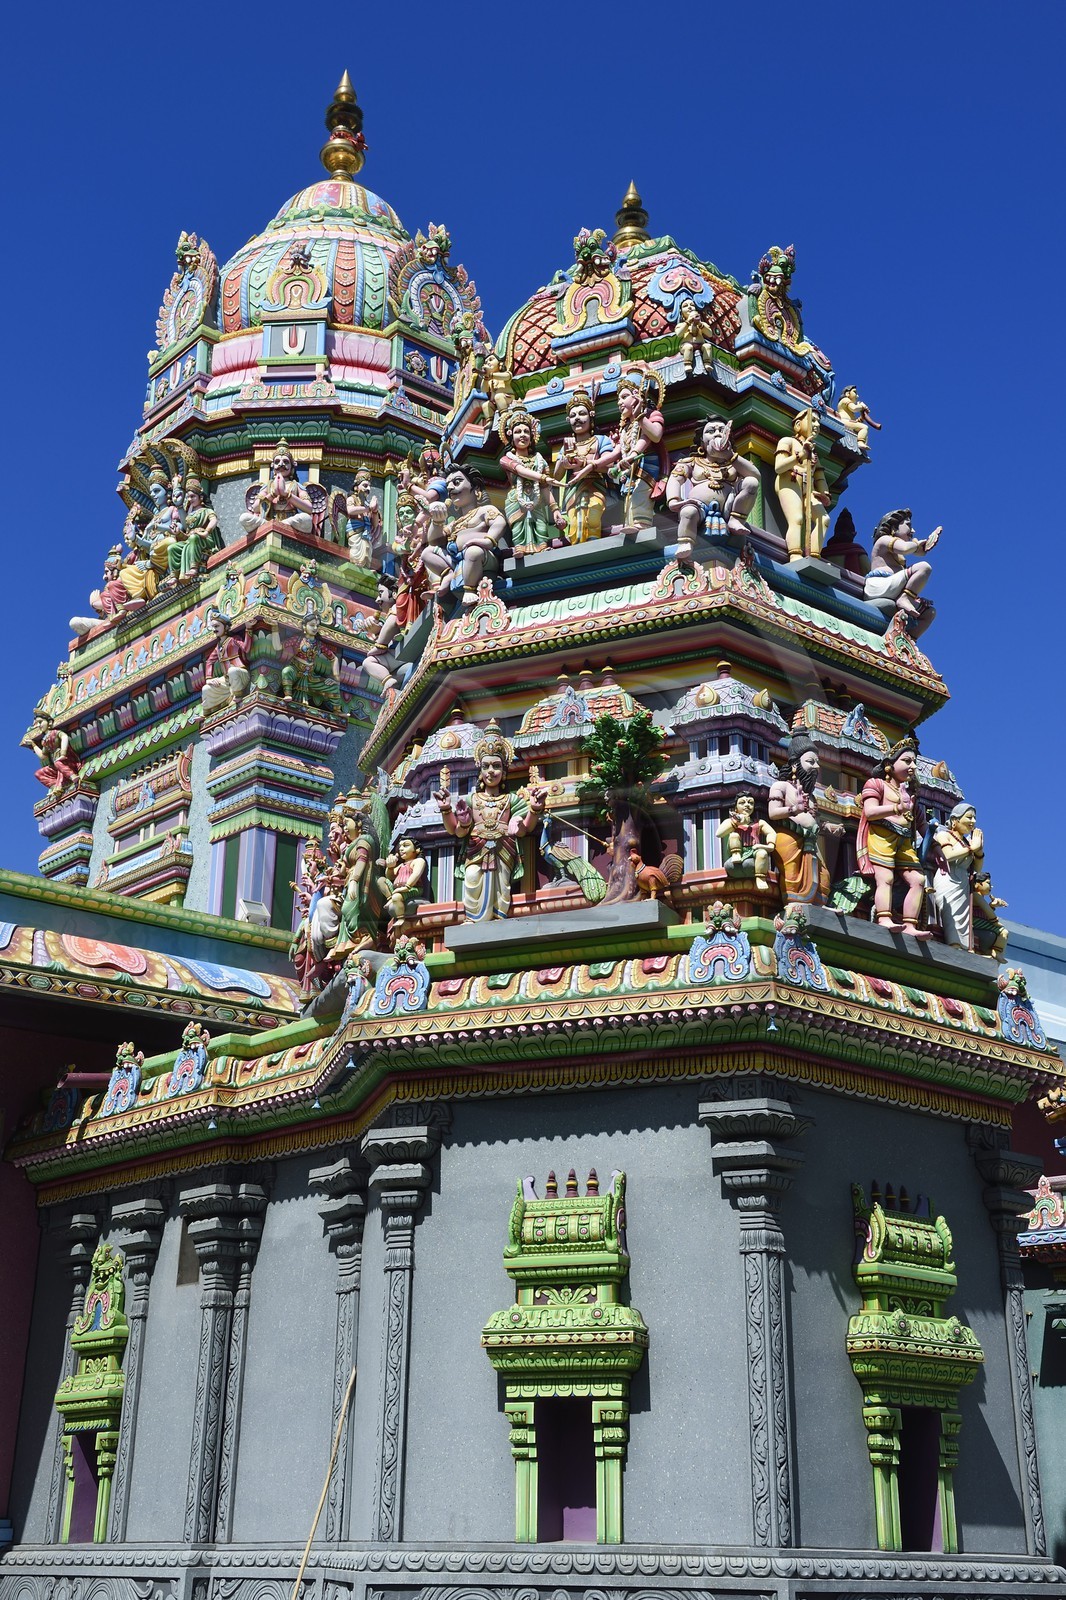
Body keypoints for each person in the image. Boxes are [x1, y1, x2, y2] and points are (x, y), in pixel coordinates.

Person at [436, 721, 545, 921]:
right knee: (472, 878)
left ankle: (498, 918)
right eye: (486, 766)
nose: (491, 771)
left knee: (502, 885)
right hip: (476, 848)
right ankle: (472, 919)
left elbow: (524, 829)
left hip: (503, 849)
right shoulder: (471, 800)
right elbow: (457, 831)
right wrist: (449, 811)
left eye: (496, 766)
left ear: (504, 771)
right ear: (480, 770)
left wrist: (532, 811)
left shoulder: (511, 800)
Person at [857, 736, 930, 935]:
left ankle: (910, 925)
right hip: (881, 836)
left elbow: (922, 826)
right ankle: (884, 918)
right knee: (885, 878)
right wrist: (897, 807)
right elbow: (870, 812)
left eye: (914, 762)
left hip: (904, 841)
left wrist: (939, 848)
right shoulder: (876, 784)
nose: (913, 766)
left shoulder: (911, 795)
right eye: (907, 761)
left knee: (918, 880)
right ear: (890, 764)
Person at [666, 417, 760, 558]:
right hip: (699, 507)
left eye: (722, 430)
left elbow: (756, 475)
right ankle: (685, 541)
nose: (717, 434)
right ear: (702, 443)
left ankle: (736, 520)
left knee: (751, 483)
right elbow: (675, 479)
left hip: (729, 507)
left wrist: (729, 456)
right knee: (688, 513)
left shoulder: (734, 464)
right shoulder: (693, 462)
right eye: (711, 431)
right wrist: (673, 500)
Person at [768, 737, 841, 904]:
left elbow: (814, 821)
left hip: (810, 841)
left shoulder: (811, 797)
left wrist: (828, 827)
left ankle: (818, 907)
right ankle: (793, 905)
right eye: (811, 762)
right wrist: (794, 809)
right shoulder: (781, 786)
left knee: (823, 877)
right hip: (789, 837)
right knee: (792, 872)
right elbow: (772, 813)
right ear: (795, 765)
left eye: (817, 762)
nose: (816, 767)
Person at [553, 388, 617, 544]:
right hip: (574, 490)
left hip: (596, 485)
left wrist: (586, 463)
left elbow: (610, 466)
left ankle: (594, 545)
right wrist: (564, 462)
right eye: (573, 415)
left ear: (591, 416)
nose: (577, 419)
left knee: (594, 514)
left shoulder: (601, 440)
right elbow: (556, 476)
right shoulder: (567, 445)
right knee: (575, 522)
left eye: (582, 414)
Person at [499, 407, 567, 555]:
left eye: (526, 431)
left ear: (532, 435)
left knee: (541, 526)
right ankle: (520, 548)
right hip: (516, 499)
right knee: (518, 528)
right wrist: (545, 478)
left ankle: (542, 546)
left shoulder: (539, 460)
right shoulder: (506, 459)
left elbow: (544, 488)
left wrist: (555, 510)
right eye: (518, 432)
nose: (522, 435)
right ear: (510, 436)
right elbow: (521, 471)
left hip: (537, 500)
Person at [864, 509, 940, 638]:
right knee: (924, 567)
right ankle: (905, 598)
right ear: (894, 527)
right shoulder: (883, 540)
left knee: (929, 613)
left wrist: (914, 594)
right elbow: (905, 548)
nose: (913, 531)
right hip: (878, 586)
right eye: (908, 525)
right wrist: (917, 546)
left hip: (892, 589)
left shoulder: (899, 558)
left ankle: (905, 640)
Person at [611, 364, 667, 529]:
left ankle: (641, 524)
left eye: (624, 397)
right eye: (619, 399)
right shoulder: (626, 427)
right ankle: (633, 524)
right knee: (629, 499)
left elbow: (653, 436)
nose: (620, 403)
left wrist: (639, 417)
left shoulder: (651, 415)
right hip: (630, 467)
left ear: (638, 395)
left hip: (646, 464)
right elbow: (622, 449)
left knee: (639, 494)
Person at [443, 464, 508, 606]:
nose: (450, 488)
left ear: (476, 489)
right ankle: (445, 577)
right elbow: (435, 540)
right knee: (429, 552)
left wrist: (489, 540)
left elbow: (499, 522)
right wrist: (435, 521)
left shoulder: (484, 510)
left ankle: (470, 590)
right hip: (457, 559)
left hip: (483, 556)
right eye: (448, 485)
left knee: (473, 552)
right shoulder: (454, 523)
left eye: (457, 482)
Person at [774, 409, 830, 560]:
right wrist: (800, 455)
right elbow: (779, 467)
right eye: (812, 420)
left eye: (818, 422)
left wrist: (825, 492)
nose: (817, 424)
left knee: (824, 519)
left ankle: (814, 554)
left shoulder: (813, 452)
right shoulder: (788, 441)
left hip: (809, 487)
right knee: (797, 518)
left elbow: (819, 476)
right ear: (798, 424)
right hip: (790, 480)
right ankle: (795, 553)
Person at [931, 802, 984, 949]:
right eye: (969, 817)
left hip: (963, 882)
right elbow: (947, 855)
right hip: (947, 878)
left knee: (965, 918)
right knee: (951, 913)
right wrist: (971, 849)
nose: (973, 821)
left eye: (974, 818)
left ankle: (966, 946)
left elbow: (976, 870)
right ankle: (954, 943)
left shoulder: (967, 842)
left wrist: (979, 852)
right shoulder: (943, 834)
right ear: (955, 820)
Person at [240, 441, 314, 535]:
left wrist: (287, 495)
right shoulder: (268, 486)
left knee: (305, 519)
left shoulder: (296, 485)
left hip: (291, 523)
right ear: (272, 466)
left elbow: (309, 508)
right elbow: (255, 508)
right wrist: (273, 494)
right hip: (270, 521)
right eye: (277, 462)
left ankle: (279, 527)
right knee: (244, 518)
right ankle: (274, 526)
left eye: (286, 462)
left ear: (292, 466)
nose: (281, 464)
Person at [716, 793, 777, 892]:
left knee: (762, 853)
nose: (747, 805)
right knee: (733, 835)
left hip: (753, 850)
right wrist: (736, 822)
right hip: (738, 850)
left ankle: (760, 878)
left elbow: (771, 832)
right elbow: (719, 833)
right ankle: (736, 853)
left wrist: (770, 845)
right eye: (742, 802)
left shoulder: (759, 823)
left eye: (750, 803)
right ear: (736, 807)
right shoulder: (731, 821)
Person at [201, 614, 252, 716]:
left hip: (240, 675)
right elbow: (209, 662)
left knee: (232, 671)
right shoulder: (218, 646)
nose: (214, 630)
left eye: (217, 626)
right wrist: (209, 679)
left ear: (226, 627)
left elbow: (246, 648)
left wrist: (248, 629)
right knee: (205, 688)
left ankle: (237, 696)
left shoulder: (234, 639)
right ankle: (207, 710)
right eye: (213, 627)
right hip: (227, 680)